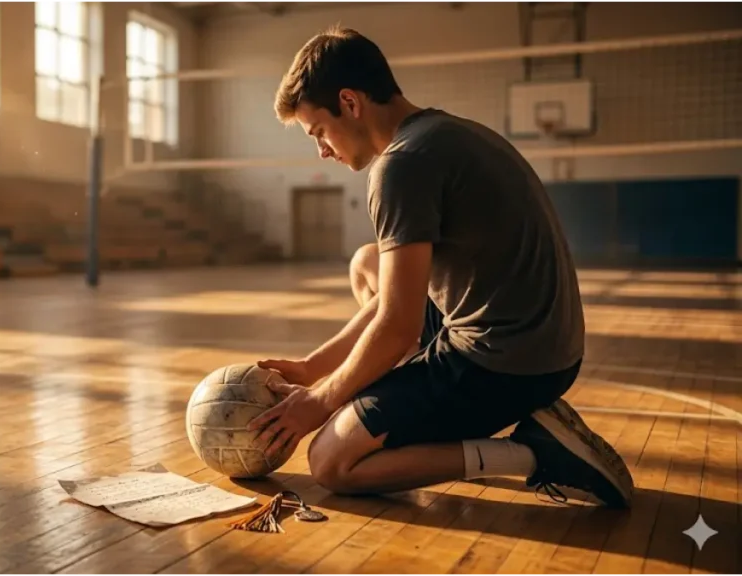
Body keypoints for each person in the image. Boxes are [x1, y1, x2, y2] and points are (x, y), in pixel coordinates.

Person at [246, 25, 634, 508]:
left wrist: (322, 401)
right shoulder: (446, 132)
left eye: (318, 132)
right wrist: (312, 369)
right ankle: (398, 396)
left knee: (331, 462)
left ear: (349, 102)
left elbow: (396, 323)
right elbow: (396, 303)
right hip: (548, 346)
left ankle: (533, 453)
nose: (321, 149)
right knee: (369, 264)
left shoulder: (400, 167)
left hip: (506, 364)